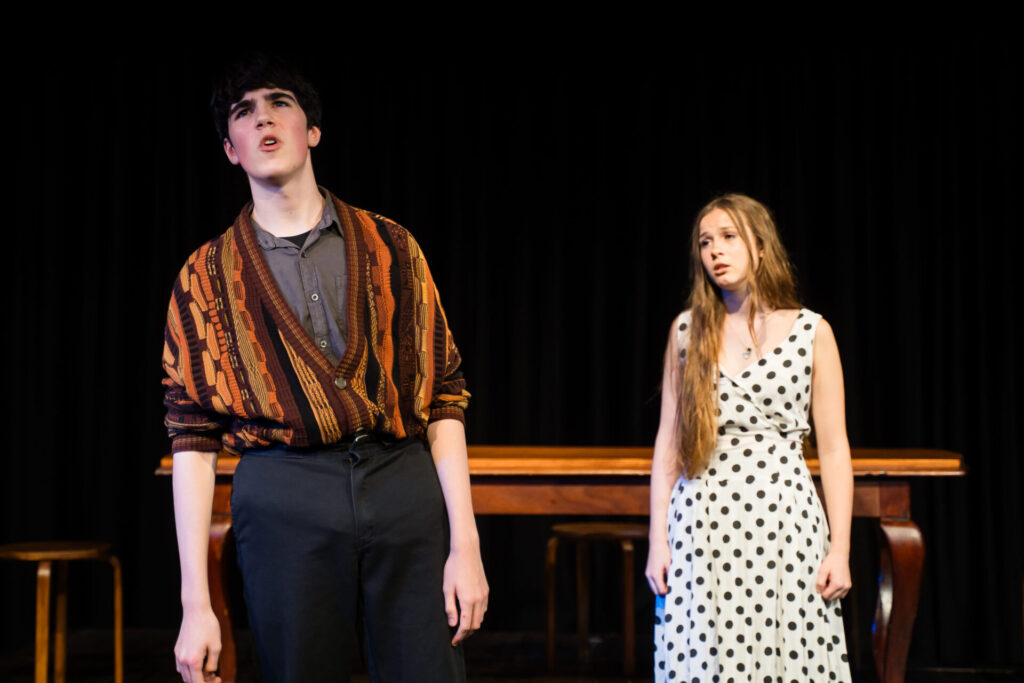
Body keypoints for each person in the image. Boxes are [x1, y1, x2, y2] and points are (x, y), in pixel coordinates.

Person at [162, 55, 488, 683]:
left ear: (311, 129)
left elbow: (444, 394)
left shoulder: (393, 248)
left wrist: (465, 545)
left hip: (400, 481)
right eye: (243, 112)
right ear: (230, 150)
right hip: (285, 495)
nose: (263, 119)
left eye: (279, 103)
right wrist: (195, 603)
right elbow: (191, 439)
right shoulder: (204, 279)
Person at [644, 193, 853, 681]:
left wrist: (839, 549)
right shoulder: (687, 333)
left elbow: (836, 449)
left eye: (729, 237)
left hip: (785, 520)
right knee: (708, 657)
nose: (715, 250)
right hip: (703, 522)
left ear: (760, 247)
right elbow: (669, 445)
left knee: (790, 654)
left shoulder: (811, 332)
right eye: (705, 242)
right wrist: (659, 539)